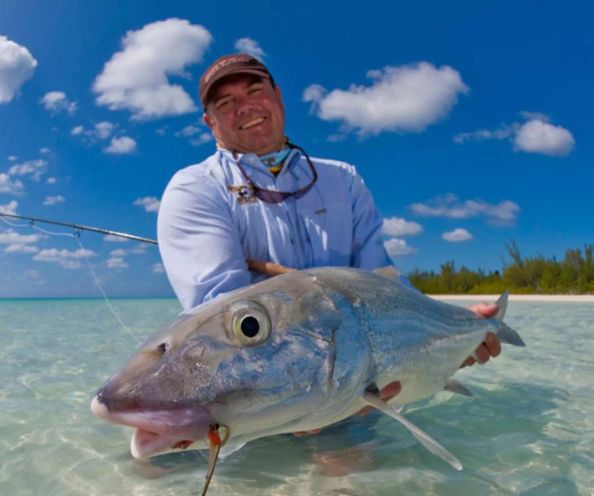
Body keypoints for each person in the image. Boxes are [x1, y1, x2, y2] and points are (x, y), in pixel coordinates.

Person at [157, 54, 501, 415]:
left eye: (254, 91)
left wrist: (444, 340)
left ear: (277, 96)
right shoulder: (195, 188)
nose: (244, 108)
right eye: (226, 103)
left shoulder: (344, 179)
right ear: (210, 123)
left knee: (352, 466)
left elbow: (385, 289)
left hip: (360, 387)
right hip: (262, 402)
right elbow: (221, 319)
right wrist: (315, 404)